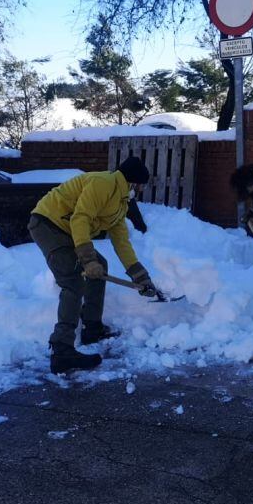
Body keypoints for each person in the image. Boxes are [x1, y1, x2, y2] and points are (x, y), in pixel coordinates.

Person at [28, 156, 159, 374]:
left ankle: (92, 327)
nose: (141, 190)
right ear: (133, 182)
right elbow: (80, 218)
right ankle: (61, 351)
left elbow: (121, 241)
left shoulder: (120, 202)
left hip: (67, 228)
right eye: (141, 185)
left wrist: (139, 275)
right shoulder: (104, 183)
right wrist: (87, 260)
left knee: (102, 265)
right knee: (73, 280)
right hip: (48, 224)